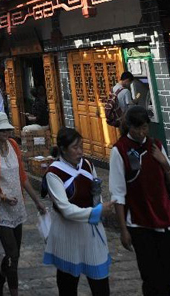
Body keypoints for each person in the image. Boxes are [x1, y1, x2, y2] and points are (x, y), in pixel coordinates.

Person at [109, 106, 170, 296]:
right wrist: (123, 230)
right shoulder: (120, 150)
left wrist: (163, 162)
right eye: (137, 128)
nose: (141, 132)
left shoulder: (156, 146)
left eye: (145, 128)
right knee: (151, 275)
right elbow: (118, 193)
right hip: (140, 221)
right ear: (128, 126)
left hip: (165, 219)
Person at [43, 127, 112, 296]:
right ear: (63, 149)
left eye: (81, 146)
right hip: (68, 233)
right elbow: (65, 209)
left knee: (100, 284)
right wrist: (96, 213)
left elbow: (96, 192)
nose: (80, 151)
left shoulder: (87, 164)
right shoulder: (53, 173)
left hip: (91, 232)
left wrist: (99, 206)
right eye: (75, 148)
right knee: (68, 285)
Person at [0, 112, 46, 296]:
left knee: (14, 253)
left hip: (17, 207)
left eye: (6, 129)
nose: (5, 132)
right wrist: (1, 196)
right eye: (0, 129)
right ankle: (14, 292)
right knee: (12, 253)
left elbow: (22, 177)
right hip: (0, 210)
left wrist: (37, 202)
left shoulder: (14, 145)